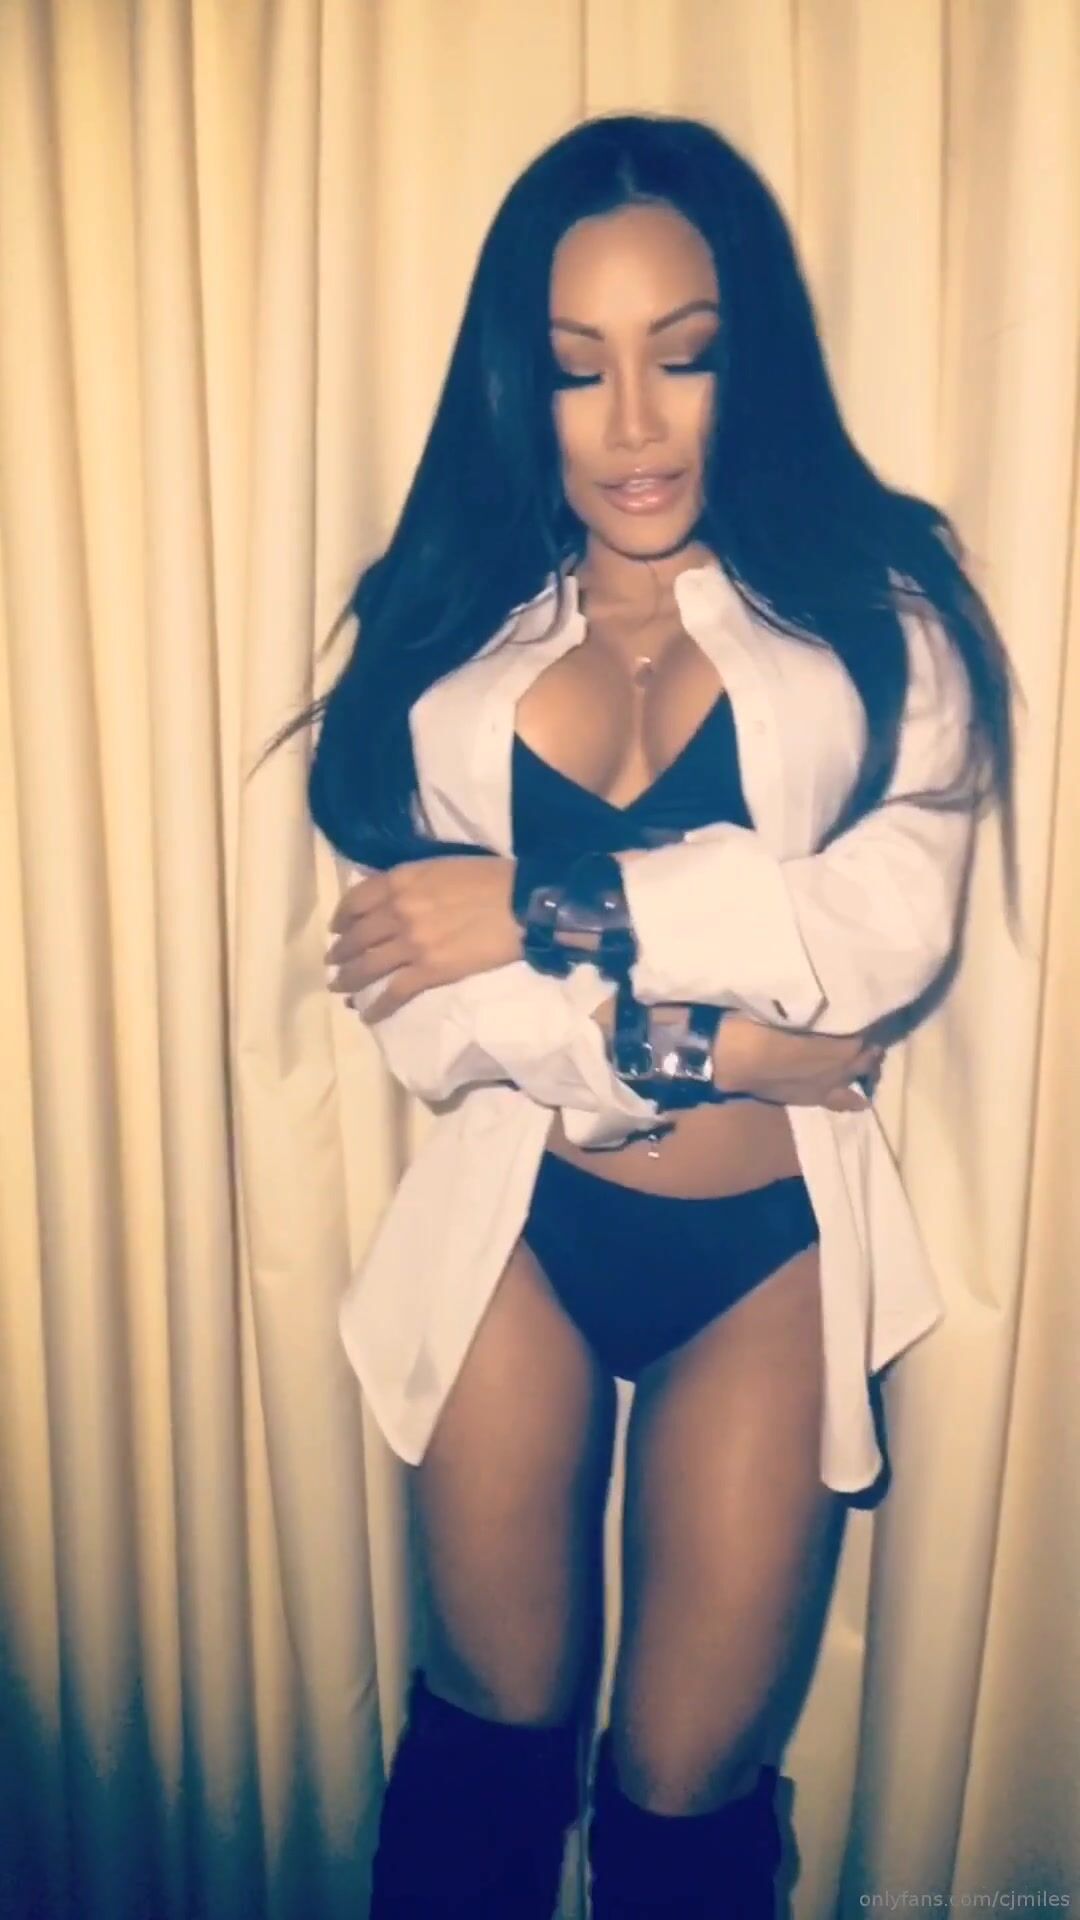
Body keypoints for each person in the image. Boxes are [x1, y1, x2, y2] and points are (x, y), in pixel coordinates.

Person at [253, 112, 1016, 1920]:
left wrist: (542, 905)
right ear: (523, 389)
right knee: (481, 1772)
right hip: (515, 1228)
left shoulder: (878, 619)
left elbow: (871, 942)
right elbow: (427, 1017)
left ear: (751, 358)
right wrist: (722, 1046)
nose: (636, 423)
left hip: (764, 1259)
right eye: (580, 367)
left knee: (686, 1808)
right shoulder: (449, 641)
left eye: (684, 354)